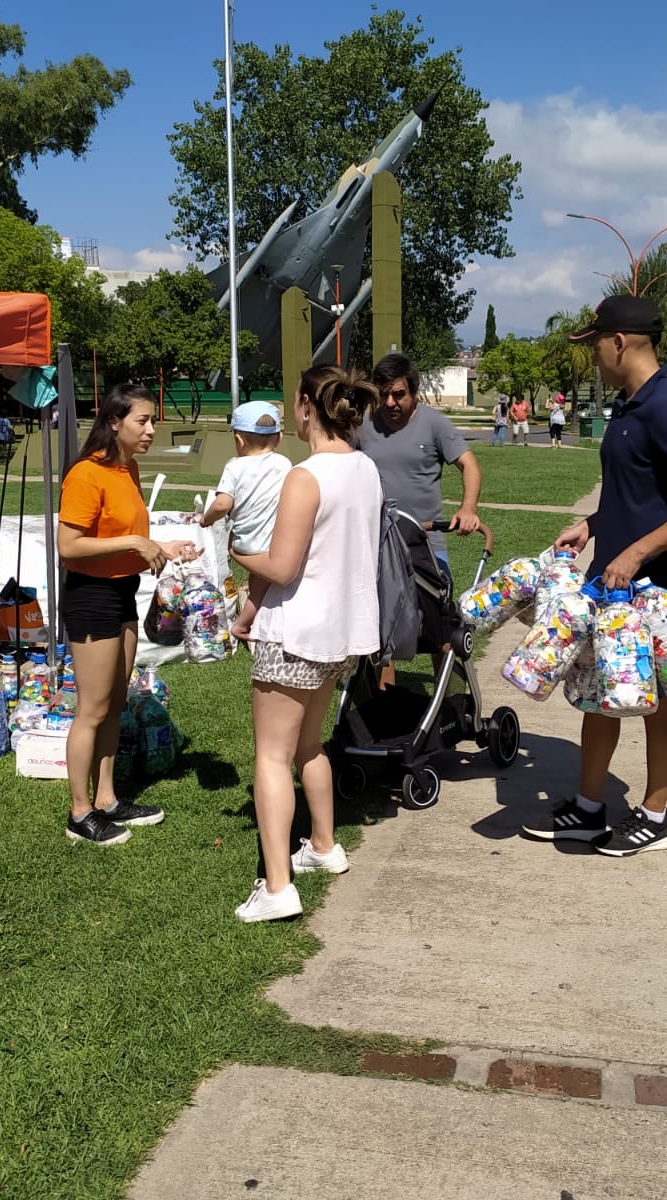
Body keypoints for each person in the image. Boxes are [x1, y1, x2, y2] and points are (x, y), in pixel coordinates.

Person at [521, 296, 667, 857]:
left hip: (653, 586)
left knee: (653, 698)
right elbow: (638, 492)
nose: (592, 357)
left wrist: (636, 553)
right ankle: (589, 809)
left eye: (594, 346)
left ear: (619, 342)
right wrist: (591, 525)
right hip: (609, 581)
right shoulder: (629, 405)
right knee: (599, 692)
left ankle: (655, 816)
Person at [232, 366, 383, 922]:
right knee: (309, 744)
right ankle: (323, 845)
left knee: (271, 755)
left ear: (304, 407)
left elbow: (281, 564)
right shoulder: (365, 467)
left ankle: (277, 887)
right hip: (343, 634)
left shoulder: (306, 475)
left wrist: (235, 552)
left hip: (297, 631)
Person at [57, 384, 199, 847]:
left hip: (122, 592)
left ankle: (108, 799)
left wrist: (162, 547)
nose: (151, 430)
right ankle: (80, 814)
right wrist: (134, 544)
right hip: (90, 597)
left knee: (115, 703)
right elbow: (69, 546)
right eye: (143, 421)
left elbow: (128, 536)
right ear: (114, 422)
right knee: (93, 709)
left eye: (152, 421)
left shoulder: (128, 470)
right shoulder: (86, 474)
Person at [362, 353, 483, 578]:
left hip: (425, 542)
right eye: (384, 394)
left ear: (415, 392)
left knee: (431, 610)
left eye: (398, 394)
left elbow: (469, 465)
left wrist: (468, 509)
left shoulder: (434, 423)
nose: (390, 402)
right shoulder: (364, 425)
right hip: (375, 543)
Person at [200, 400, 292, 642]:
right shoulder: (284, 464)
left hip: (245, 543)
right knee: (259, 587)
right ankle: (251, 621)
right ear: (279, 437)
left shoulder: (234, 467)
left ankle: (241, 626)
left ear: (239, 440)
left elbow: (222, 504)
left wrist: (205, 519)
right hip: (275, 540)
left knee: (258, 587)